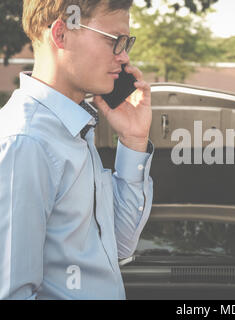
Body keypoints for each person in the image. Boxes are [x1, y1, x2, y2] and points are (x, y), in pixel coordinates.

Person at [0, 0, 153, 299]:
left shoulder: (72, 126)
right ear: (61, 34)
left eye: (126, 43)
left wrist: (134, 140)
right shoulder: (27, 142)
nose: (123, 57)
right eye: (114, 41)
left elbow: (119, 245)